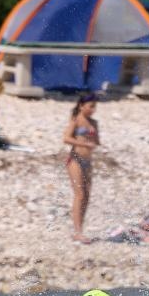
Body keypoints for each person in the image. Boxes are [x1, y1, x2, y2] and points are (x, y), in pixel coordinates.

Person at [63, 93, 100, 244]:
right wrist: (84, 144)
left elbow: (96, 141)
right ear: (81, 106)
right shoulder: (76, 120)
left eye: (94, 107)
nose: (93, 110)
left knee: (87, 196)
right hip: (75, 160)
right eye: (90, 106)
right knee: (79, 194)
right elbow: (66, 138)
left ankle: (80, 229)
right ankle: (77, 232)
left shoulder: (94, 123)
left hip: (88, 161)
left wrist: (93, 139)